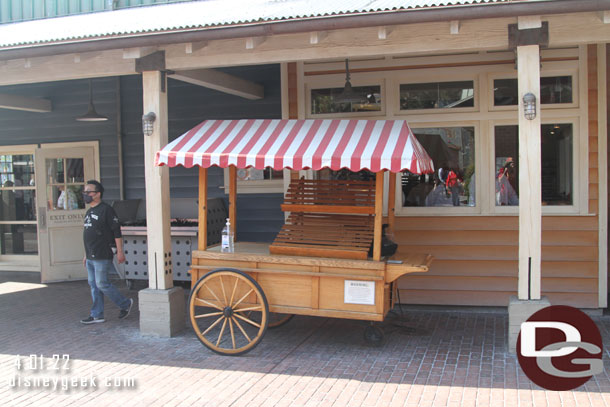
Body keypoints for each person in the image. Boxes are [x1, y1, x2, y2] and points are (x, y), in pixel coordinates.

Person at [80, 180, 133, 324]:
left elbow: (116, 231)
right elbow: (88, 233)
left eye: (88, 192)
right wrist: (86, 255)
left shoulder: (106, 210)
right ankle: (97, 314)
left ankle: (125, 303)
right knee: (93, 284)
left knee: (102, 283)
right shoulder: (89, 211)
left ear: (98, 194)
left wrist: (120, 251)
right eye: (84, 192)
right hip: (91, 254)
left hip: (102, 253)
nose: (86, 194)